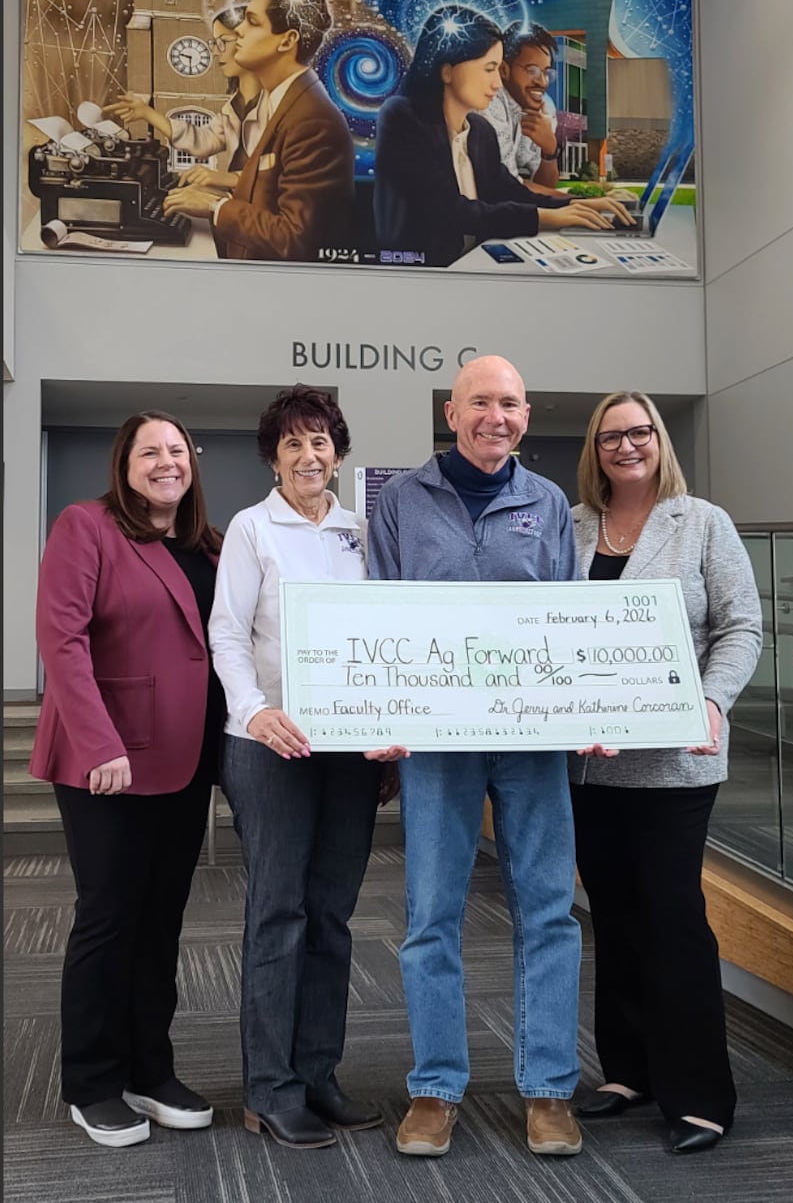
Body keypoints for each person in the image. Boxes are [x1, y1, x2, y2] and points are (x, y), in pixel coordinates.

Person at [368, 354, 585, 1159]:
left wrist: (589, 703)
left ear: (526, 416)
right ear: (452, 412)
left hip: (531, 740)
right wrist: (387, 714)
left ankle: (549, 1088)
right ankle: (434, 1087)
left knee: (548, 910)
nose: (497, 416)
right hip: (437, 741)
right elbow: (380, 615)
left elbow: (568, 621)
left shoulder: (549, 501)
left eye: (512, 404)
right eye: (481, 402)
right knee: (429, 915)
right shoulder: (402, 499)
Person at [570, 391, 762, 1154]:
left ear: (659, 440)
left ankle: (698, 1093)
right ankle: (629, 1070)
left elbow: (742, 623)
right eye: (611, 435)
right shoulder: (575, 525)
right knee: (610, 914)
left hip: (678, 761)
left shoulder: (702, 522)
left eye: (639, 431)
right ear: (596, 448)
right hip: (591, 765)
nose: (627, 445)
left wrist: (712, 701)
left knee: (673, 916)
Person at [208, 386, 398, 1150]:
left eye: (320, 441)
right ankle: (270, 1088)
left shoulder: (363, 532)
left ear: (339, 452)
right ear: (273, 457)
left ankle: (318, 1073)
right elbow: (226, 634)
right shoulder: (255, 529)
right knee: (278, 913)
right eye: (292, 444)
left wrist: (389, 725)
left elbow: (389, 636)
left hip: (349, 750)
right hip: (270, 747)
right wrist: (255, 709)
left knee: (332, 914)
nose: (308, 456)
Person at [29, 412, 225, 1148]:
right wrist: (98, 741)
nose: (167, 462)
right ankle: (91, 1080)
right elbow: (63, 639)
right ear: (125, 462)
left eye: (178, 449)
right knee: (109, 917)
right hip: (105, 760)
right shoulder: (86, 527)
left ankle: (150, 1067)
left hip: (183, 757)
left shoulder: (207, 544)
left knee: (161, 921)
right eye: (151, 451)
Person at [373, 5, 633, 268]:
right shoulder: (401, 117)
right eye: (489, 68)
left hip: (477, 262)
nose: (497, 83)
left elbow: (511, 192)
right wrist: (547, 217)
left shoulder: (479, 131)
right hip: (426, 275)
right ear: (448, 70)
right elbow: (449, 210)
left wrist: (581, 204)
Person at [163, 0, 354, 262]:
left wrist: (216, 207)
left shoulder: (312, 120)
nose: (238, 30)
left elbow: (293, 237)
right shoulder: (279, 101)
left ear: (287, 40)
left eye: (252, 21)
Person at [105, 6, 267, 189]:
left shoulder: (278, 104)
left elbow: (281, 175)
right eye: (214, 43)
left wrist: (225, 183)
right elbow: (204, 140)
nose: (215, 52)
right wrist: (147, 113)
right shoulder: (234, 105)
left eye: (223, 42)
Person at [483, 23, 562, 192]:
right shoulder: (489, 102)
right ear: (504, 69)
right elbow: (507, 187)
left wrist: (550, 151)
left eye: (546, 72)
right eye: (531, 70)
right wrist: (576, 202)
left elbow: (545, 187)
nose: (542, 82)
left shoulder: (544, 108)